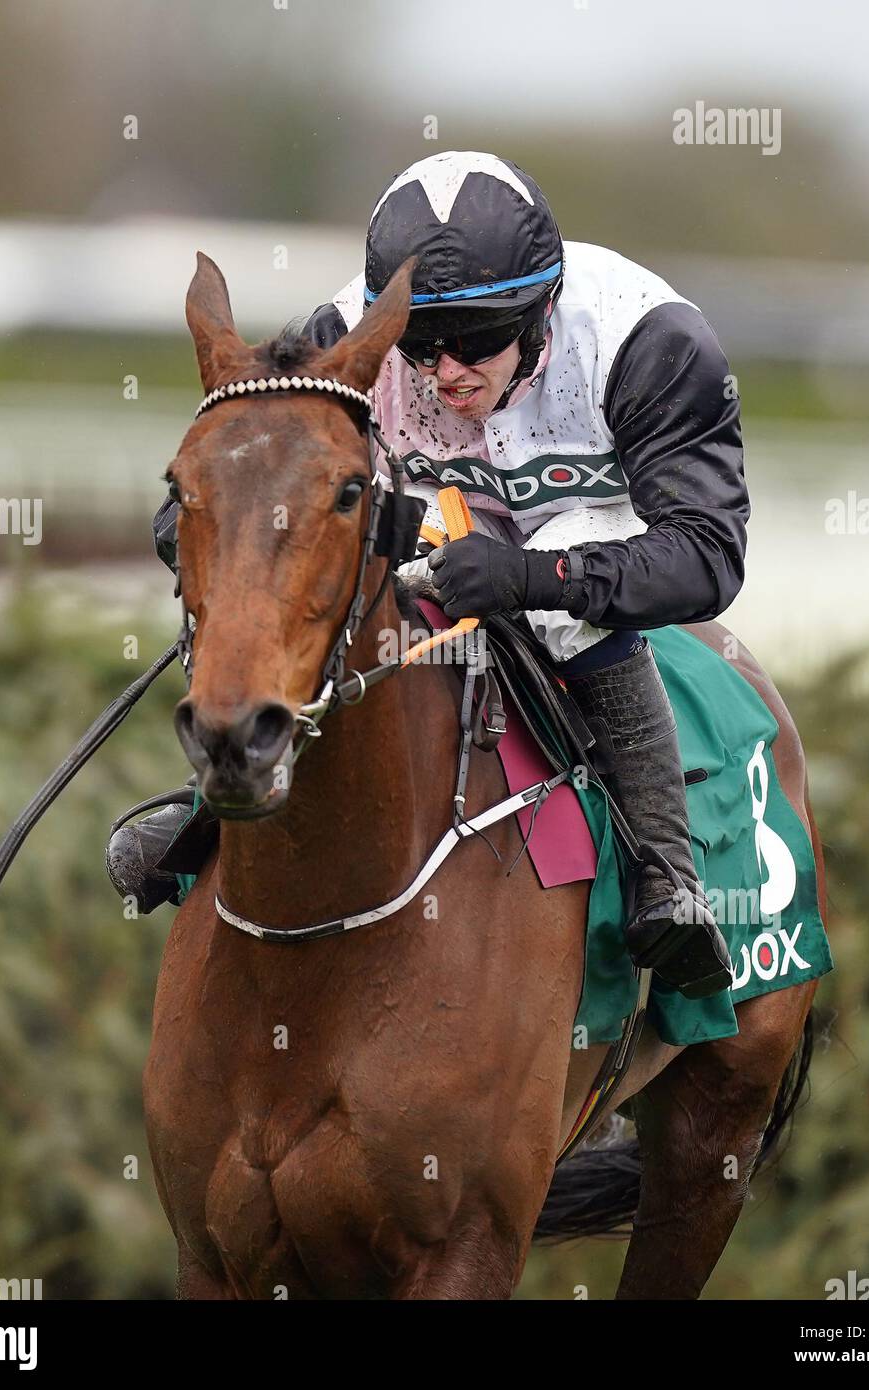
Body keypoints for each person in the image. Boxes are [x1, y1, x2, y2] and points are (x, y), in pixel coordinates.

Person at [110, 150, 745, 999]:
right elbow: (266, 484)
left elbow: (706, 555)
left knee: (565, 612)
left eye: (477, 343)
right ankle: (219, 791)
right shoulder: (345, 335)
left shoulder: (650, 342)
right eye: (422, 343)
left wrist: (533, 576)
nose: (446, 373)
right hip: (438, 513)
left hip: (603, 525)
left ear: (542, 307)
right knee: (306, 582)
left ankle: (668, 874)